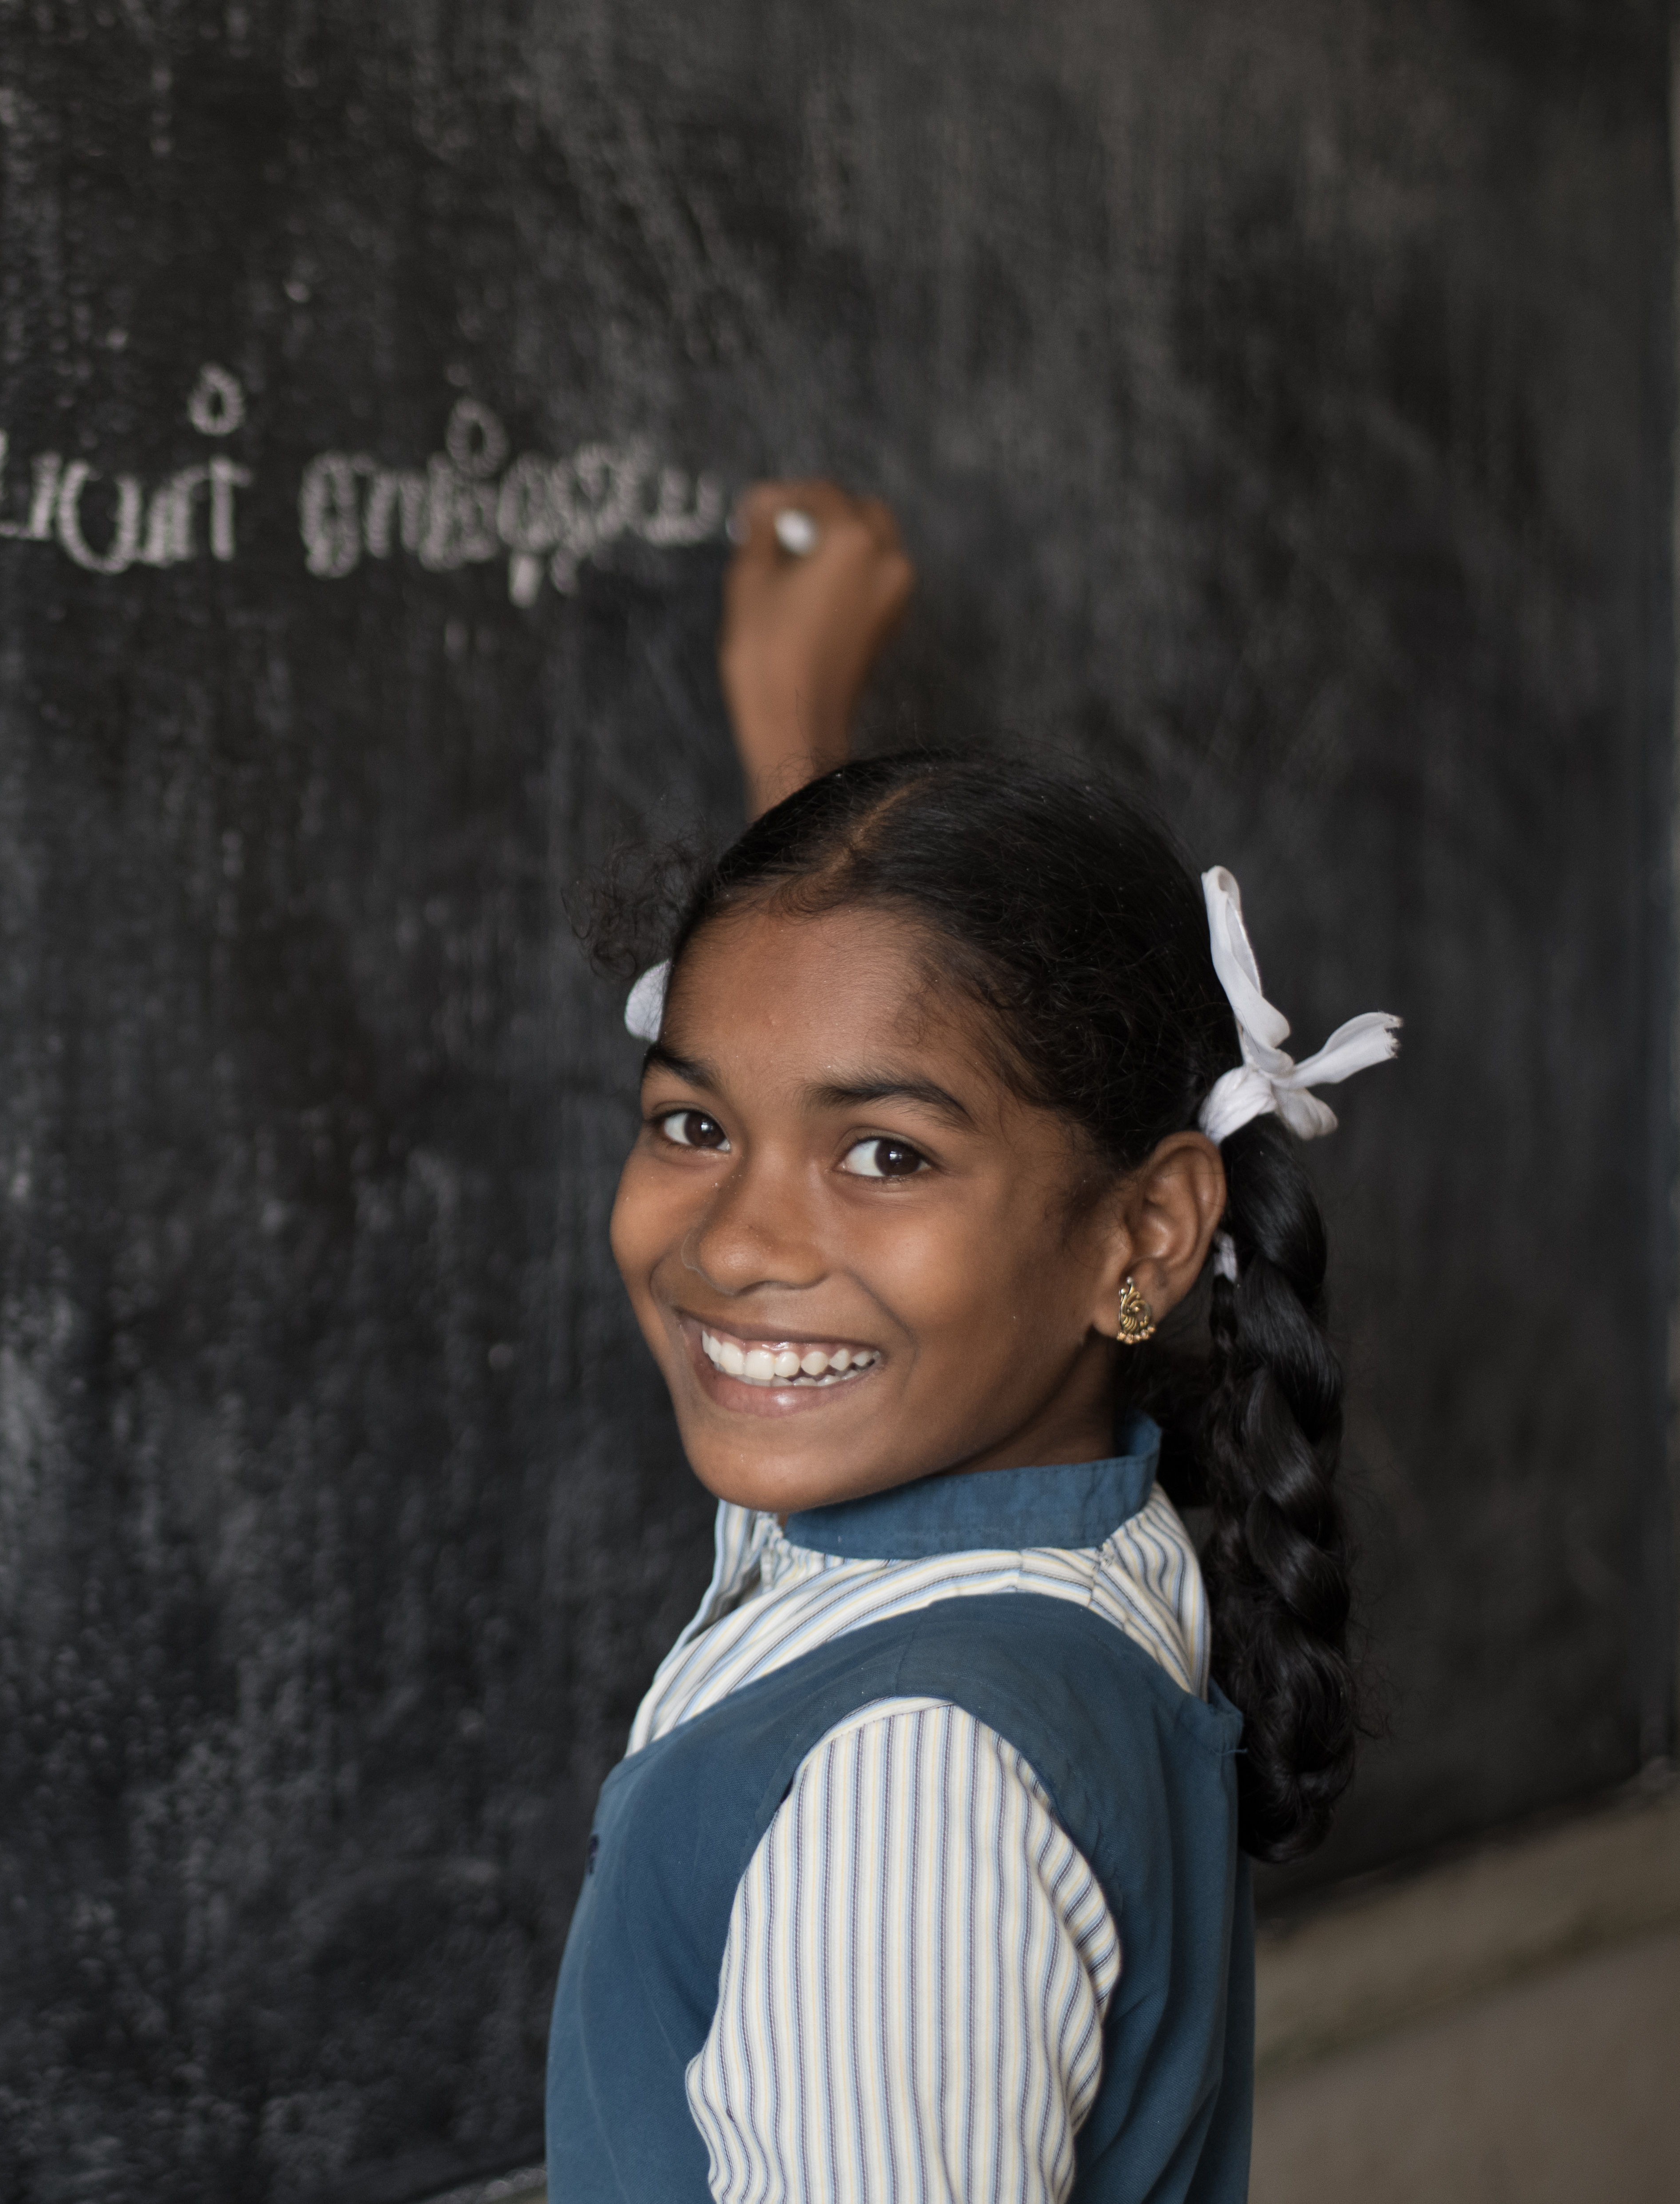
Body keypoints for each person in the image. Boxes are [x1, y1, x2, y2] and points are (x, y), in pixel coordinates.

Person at [544, 483, 1400, 2201]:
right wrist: (802, 754)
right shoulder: (1065, 1524)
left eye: (884, 1155)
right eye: (692, 1125)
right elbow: (854, 1045)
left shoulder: (908, 1792)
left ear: (1143, 1235)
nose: (736, 1242)